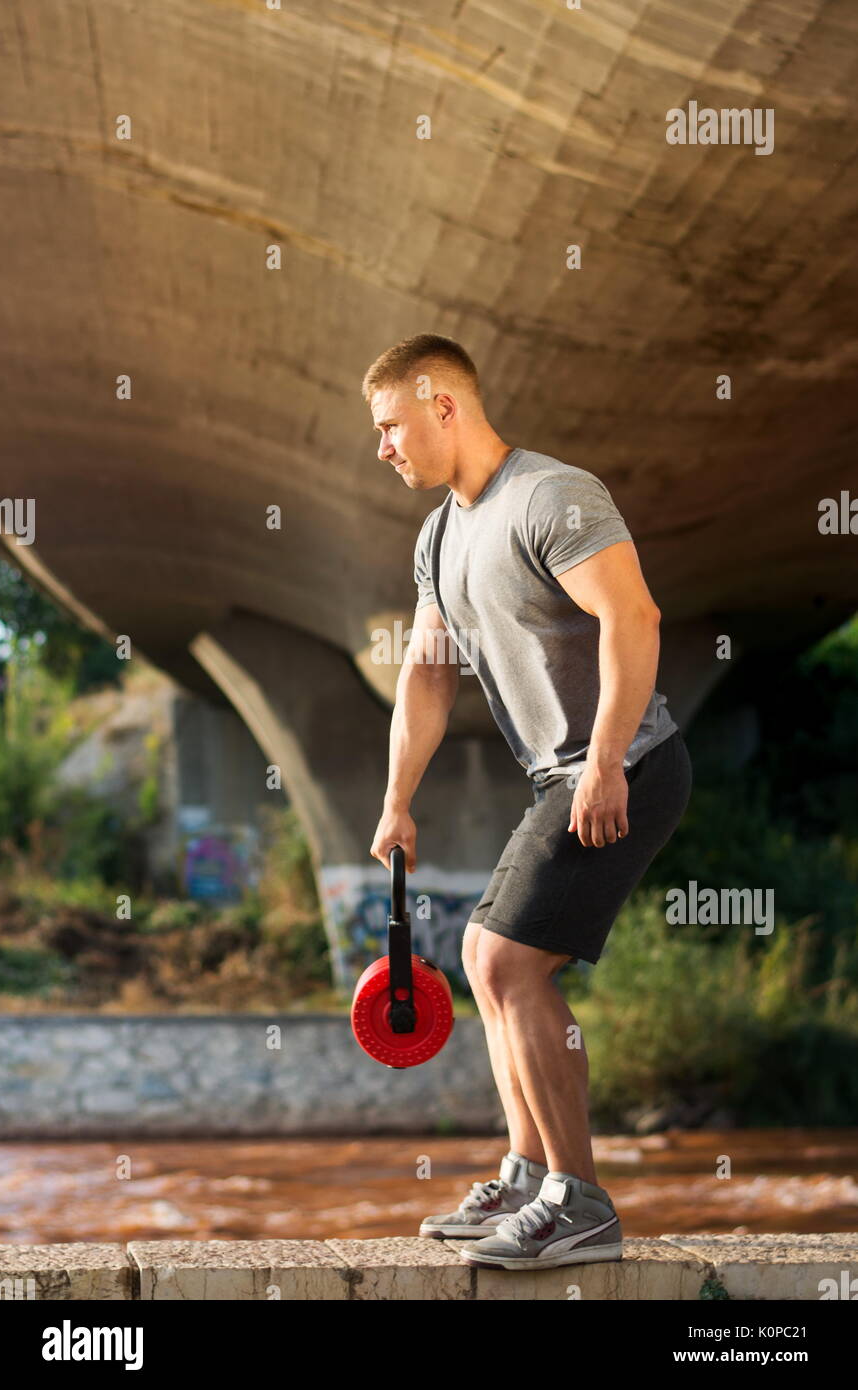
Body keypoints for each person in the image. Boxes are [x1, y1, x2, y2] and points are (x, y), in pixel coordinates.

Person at [363, 333, 692, 1271]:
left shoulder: (552, 496)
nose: (383, 446)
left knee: (509, 962)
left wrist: (608, 761)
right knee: (480, 952)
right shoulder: (439, 534)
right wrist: (396, 801)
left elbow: (633, 616)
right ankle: (526, 1172)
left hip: (631, 763)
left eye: (390, 425)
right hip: (562, 772)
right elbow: (428, 676)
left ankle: (578, 1201)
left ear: (442, 404)